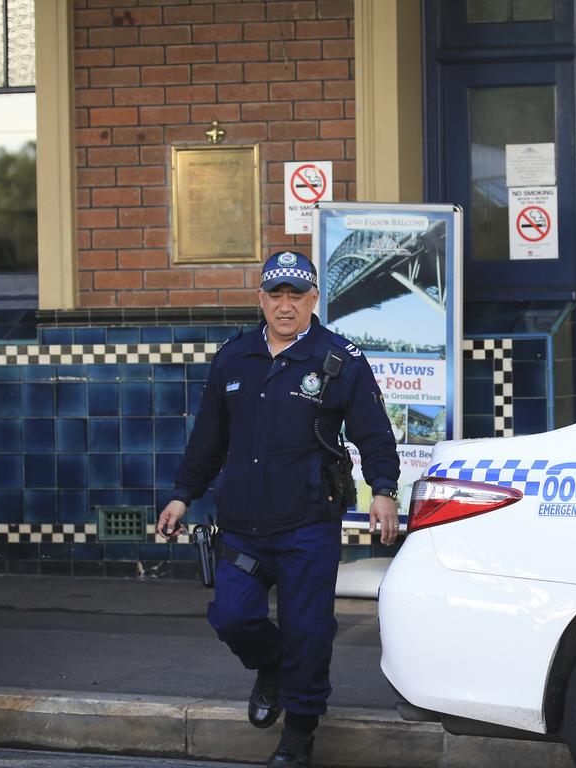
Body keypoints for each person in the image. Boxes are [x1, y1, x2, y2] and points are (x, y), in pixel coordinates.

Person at [157, 250, 401, 768]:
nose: (285, 306)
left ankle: (300, 733)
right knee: (232, 616)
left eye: (297, 295)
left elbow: (373, 432)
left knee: (308, 632)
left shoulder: (340, 360)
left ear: (314, 299)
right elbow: (208, 438)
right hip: (242, 526)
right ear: (261, 299)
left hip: (307, 526)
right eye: (276, 295)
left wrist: (383, 489)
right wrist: (183, 493)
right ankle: (272, 668)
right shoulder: (234, 355)